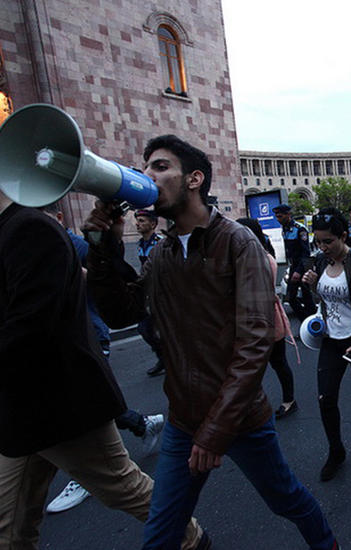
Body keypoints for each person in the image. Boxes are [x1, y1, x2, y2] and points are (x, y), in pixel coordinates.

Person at [84, 135, 337, 549]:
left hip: (239, 419)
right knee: (162, 533)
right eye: (145, 167)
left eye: (160, 167)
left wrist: (216, 430)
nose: (147, 175)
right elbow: (121, 313)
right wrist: (102, 245)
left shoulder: (238, 242)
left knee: (287, 500)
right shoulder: (162, 254)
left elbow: (255, 343)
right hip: (184, 422)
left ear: (194, 179)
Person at [0, 191, 205, 550]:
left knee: (122, 487)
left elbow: (35, 325)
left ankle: (191, 539)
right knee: (10, 525)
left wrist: (102, 245)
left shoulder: (29, 228)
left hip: (59, 404)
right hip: (18, 407)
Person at [38, 204, 165, 515]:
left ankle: (88, 471)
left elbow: (112, 283)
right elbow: (125, 303)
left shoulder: (73, 244)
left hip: (83, 338)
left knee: (86, 404)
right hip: (43, 353)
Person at [301, 208, 351, 482]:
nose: (323, 247)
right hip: (331, 341)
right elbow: (327, 299)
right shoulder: (321, 262)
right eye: (319, 241)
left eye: (328, 241)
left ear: (344, 236)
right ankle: (336, 451)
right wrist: (312, 286)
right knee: (326, 399)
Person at [237, 217, 299, 419]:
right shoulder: (244, 256)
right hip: (250, 320)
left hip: (266, 318)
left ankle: (289, 400)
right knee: (253, 366)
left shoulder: (262, 258)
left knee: (277, 362)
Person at [134, 209, 167, 377]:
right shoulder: (141, 244)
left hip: (163, 294)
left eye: (142, 220)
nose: (138, 224)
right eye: (137, 220)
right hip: (149, 294)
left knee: (166, 330)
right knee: (144, 328)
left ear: (153, 224)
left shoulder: (161, 243)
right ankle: (163, 357)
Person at [274, 203, 316, 319]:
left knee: (307, 297)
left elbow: (305, 253)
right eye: (277, 216)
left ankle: (312, 321)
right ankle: (305, 319)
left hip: (302, 266)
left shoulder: (300, 229)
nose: (278, 219)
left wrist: (298, 271)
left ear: (288, 215)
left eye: (280, 216)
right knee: (291, 298)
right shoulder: (285, 229)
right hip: (293, 266)